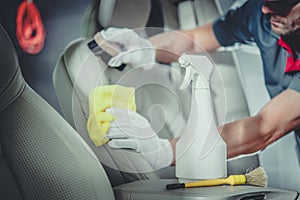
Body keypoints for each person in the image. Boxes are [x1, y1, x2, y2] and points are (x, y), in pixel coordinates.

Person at [99, 0, 300, 167]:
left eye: (281, 3)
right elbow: (196, 39)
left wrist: (167, 151)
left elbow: (264, 129)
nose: (266, 9)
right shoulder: (263, 14)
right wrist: (144, 47)